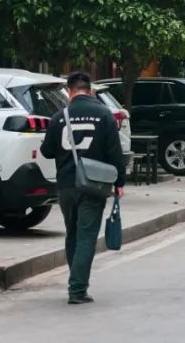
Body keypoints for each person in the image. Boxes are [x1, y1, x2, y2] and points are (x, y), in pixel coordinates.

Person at [41, 71, 125, 304]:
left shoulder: (59, 117)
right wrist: (119, 182)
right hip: (93, 185)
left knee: (73, 234)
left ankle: (76, 280)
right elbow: (115, 152)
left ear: (69, 92)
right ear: (90, 91)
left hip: (66, 185)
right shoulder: (104, 114)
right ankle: (77, 289)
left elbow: (47, 151)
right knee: (86, 236)